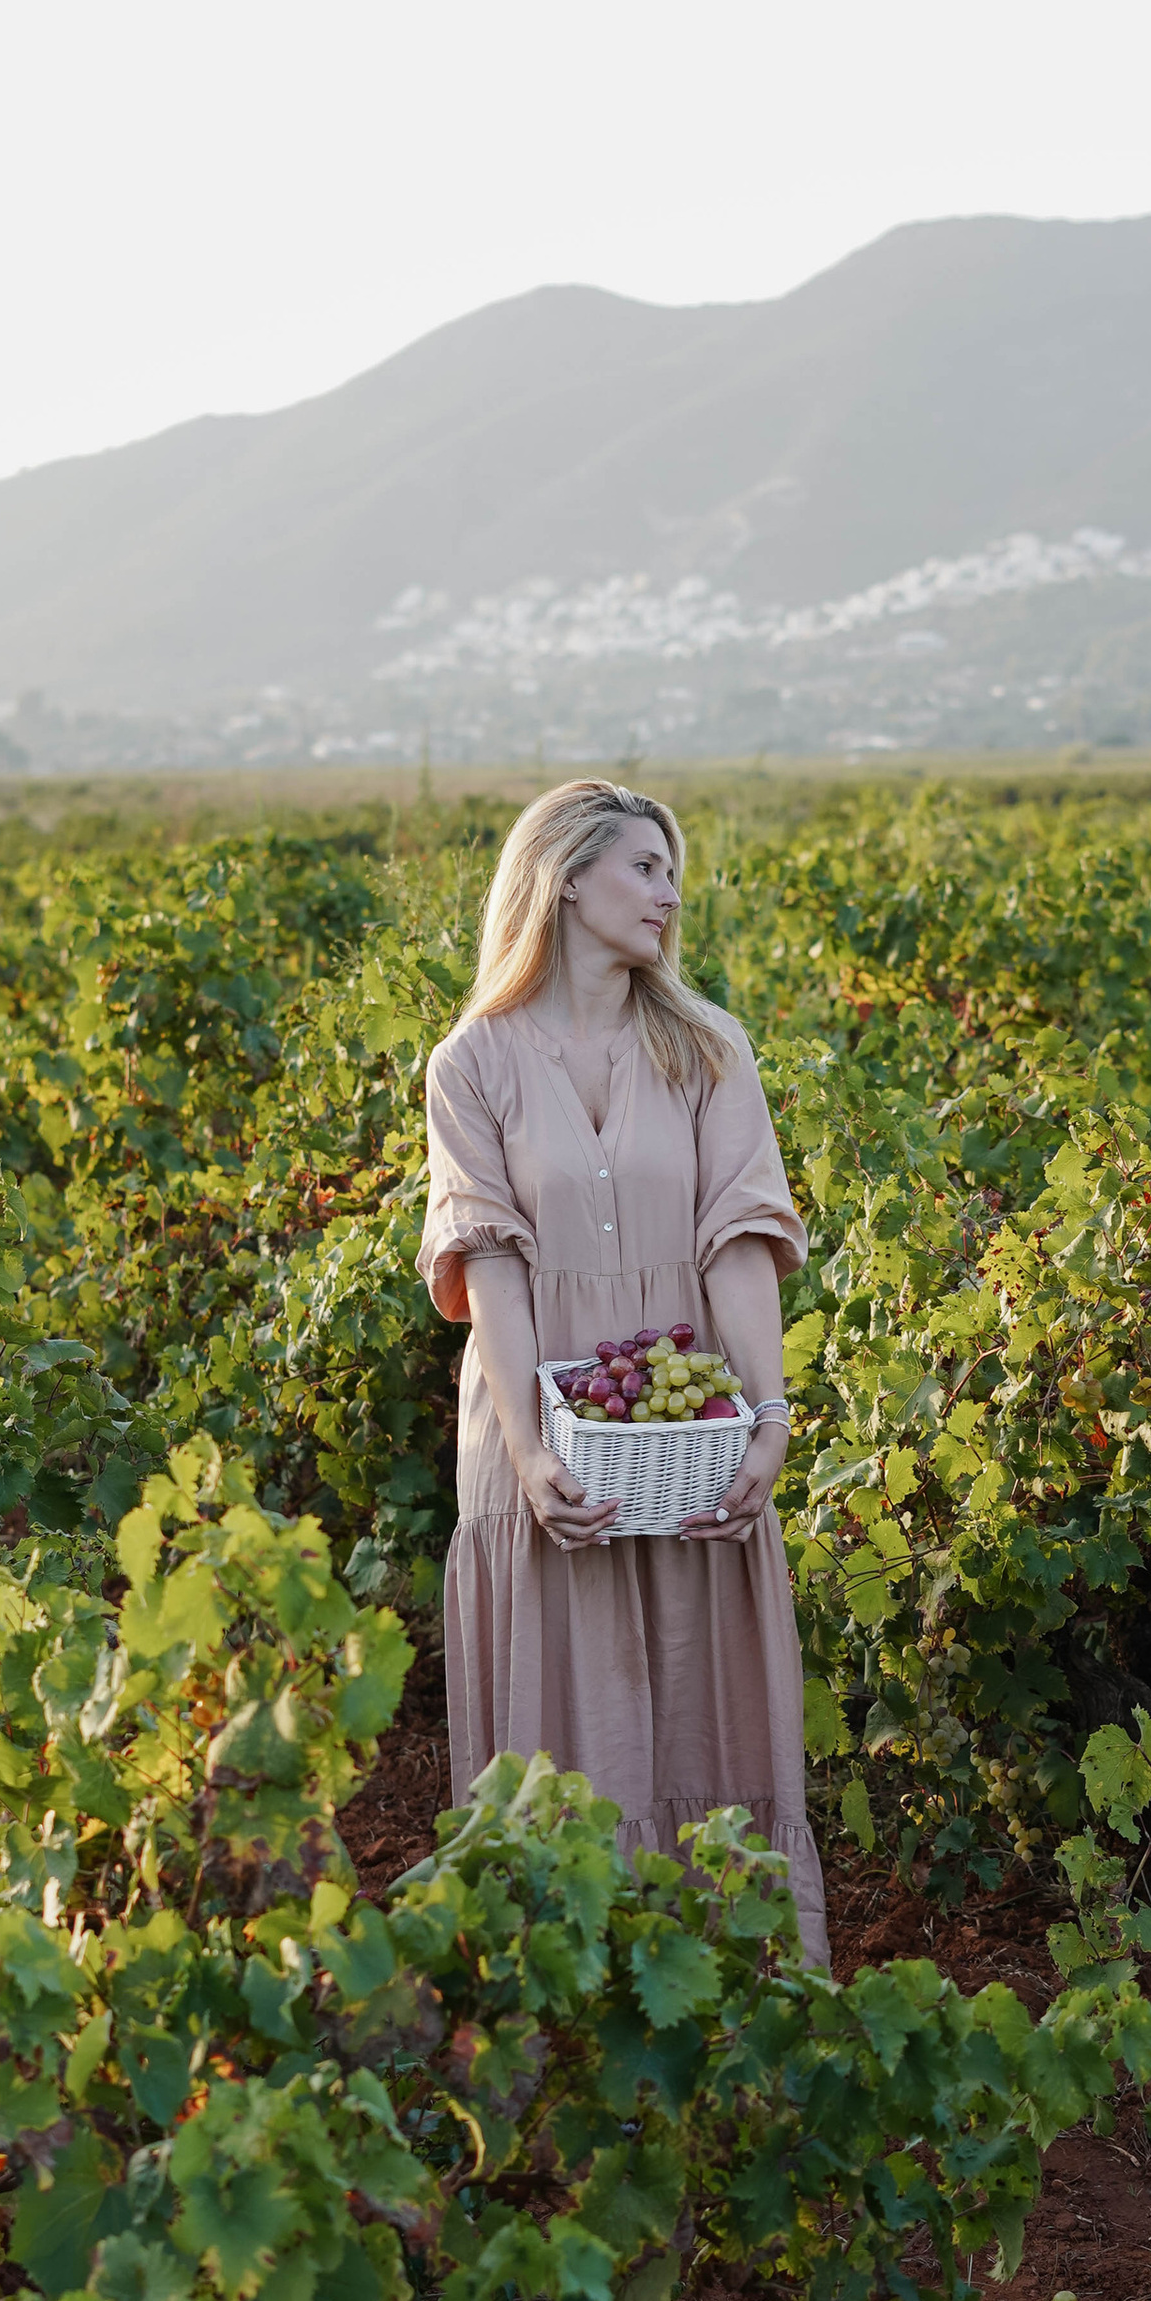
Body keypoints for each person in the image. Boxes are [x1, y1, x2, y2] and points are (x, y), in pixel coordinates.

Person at [414, 779, 829, 1964]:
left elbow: (739, 1247)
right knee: (565, 1722)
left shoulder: (705, 1047)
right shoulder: (470, 1065)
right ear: (564, 877)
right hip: (535, 1422)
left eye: (670, 869)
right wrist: (535, 1449)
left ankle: (729, 1999)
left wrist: (766, 1420)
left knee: (703, 1705)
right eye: (644, 867)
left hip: (685, 1421)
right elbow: (488, 1264)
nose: (669, 892)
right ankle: (568, 2025)